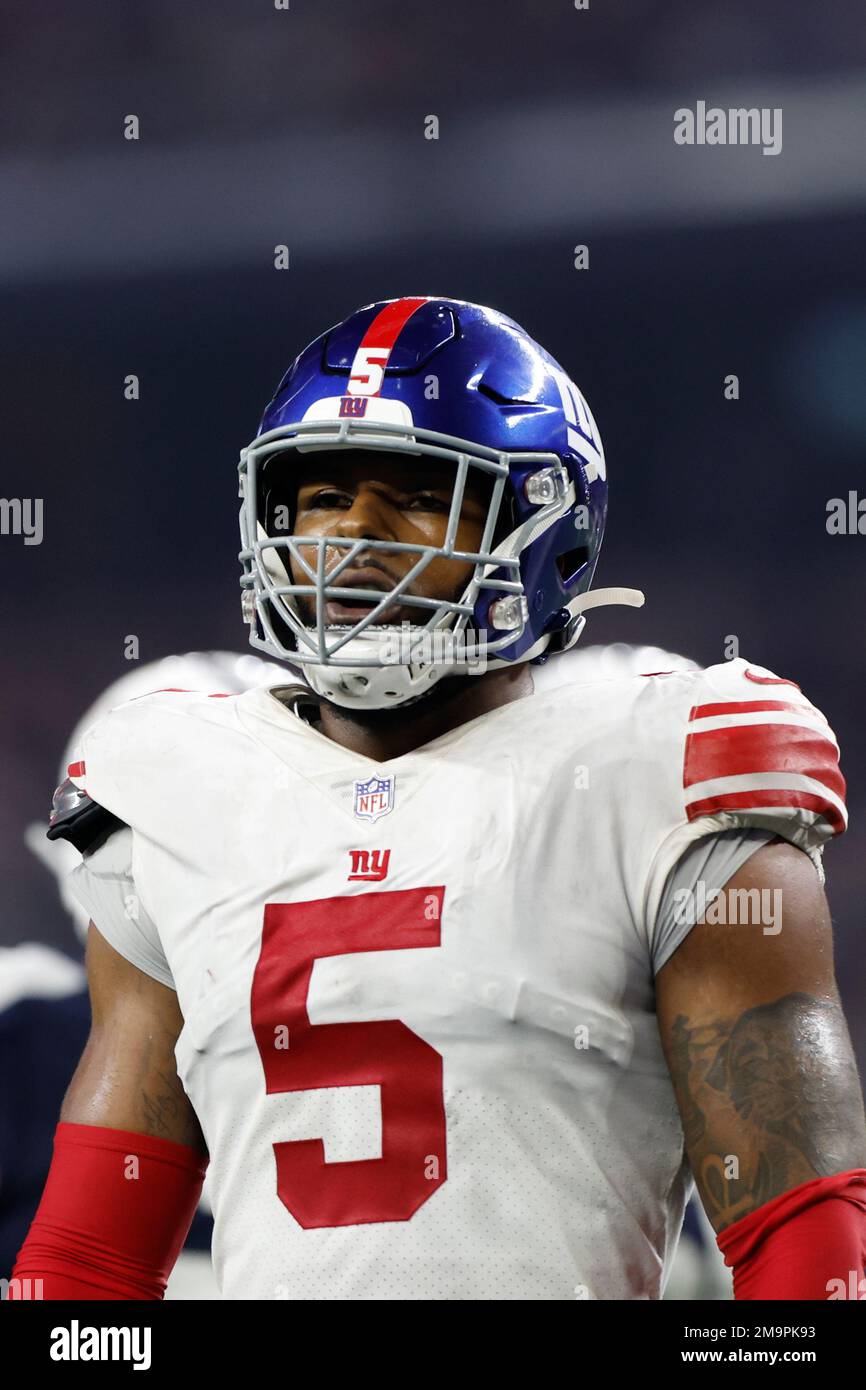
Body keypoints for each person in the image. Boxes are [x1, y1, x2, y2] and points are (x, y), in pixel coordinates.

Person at [11, 296, 866, 1300]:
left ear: (544, 531)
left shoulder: (657, 772)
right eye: (319, 494)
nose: (352, 534)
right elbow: (88, 1267)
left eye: (415, 494)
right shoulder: (178, 785)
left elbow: (802, 1244)